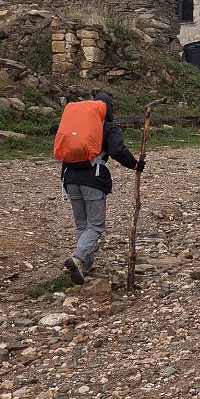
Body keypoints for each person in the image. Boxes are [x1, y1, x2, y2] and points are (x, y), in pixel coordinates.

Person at [57, 92, 143, 285]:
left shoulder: (77, 125)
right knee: (95, 226)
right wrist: (135, 165)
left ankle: (84, 265)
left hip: (70, 178)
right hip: (92, 179)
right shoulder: (106, 126)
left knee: (82, 225)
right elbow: (117, 150)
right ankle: (77, 258)